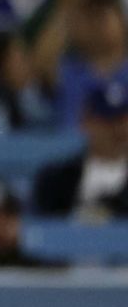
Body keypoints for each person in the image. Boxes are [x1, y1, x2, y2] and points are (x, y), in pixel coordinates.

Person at [32, 79, 128, 220]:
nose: (117, 129)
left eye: (123, 120)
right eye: (107, 120)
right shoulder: (55, 180)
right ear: (86, 122)